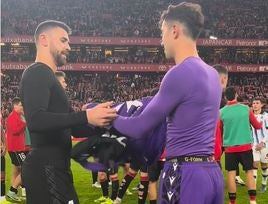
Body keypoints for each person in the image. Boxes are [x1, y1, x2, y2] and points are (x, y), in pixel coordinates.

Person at [113, 2, 223, 203]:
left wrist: (106, 114)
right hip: (212, 173)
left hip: (183, 172)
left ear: (174, 31)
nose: (161, 40)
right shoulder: (213, 75)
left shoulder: (179, 73)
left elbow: (139, 127)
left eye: (162, 32)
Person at [19, 20, 117, 204]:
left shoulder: (50, 78)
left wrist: (108, 123)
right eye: (63, 40)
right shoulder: (37, 73)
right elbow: (36, 120)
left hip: (56, 168)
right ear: (44, 40)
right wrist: (86, 115)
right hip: (46, 168)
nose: (69, 46)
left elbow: (74, 128)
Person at [220, 87, 262, 204]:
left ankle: (232, 202)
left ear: (225, 97)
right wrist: (261, 123)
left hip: (230, 148)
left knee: (231, 174)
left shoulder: (221, 112)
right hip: (245, 147)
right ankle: (252, 201)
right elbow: (257, 126)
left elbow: (219, 131)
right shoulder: (246, 109)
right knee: (249, 171)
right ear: (236, 95)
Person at [5, 97, 28, 202]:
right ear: (15, 106)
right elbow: (15, 131)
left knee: (16, 170)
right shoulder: (12, 117)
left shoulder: (19, 116)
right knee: (26, 169)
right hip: (15, 148)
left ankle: (14, 192)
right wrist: (24, 124)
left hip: (18, 148)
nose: (22, 107)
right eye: (20, 105)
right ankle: (12, 191)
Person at [251, 98, 268, 193]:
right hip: (254, 145)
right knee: (254, 164)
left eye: (257, 103)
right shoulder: (250, 116)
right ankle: (253, 188)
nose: (255, 105)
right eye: (253, 103)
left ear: (261, 105)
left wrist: (263, 142)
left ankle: (264, 184)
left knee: (264, 166)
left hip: (265, 145)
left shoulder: (266, 116)